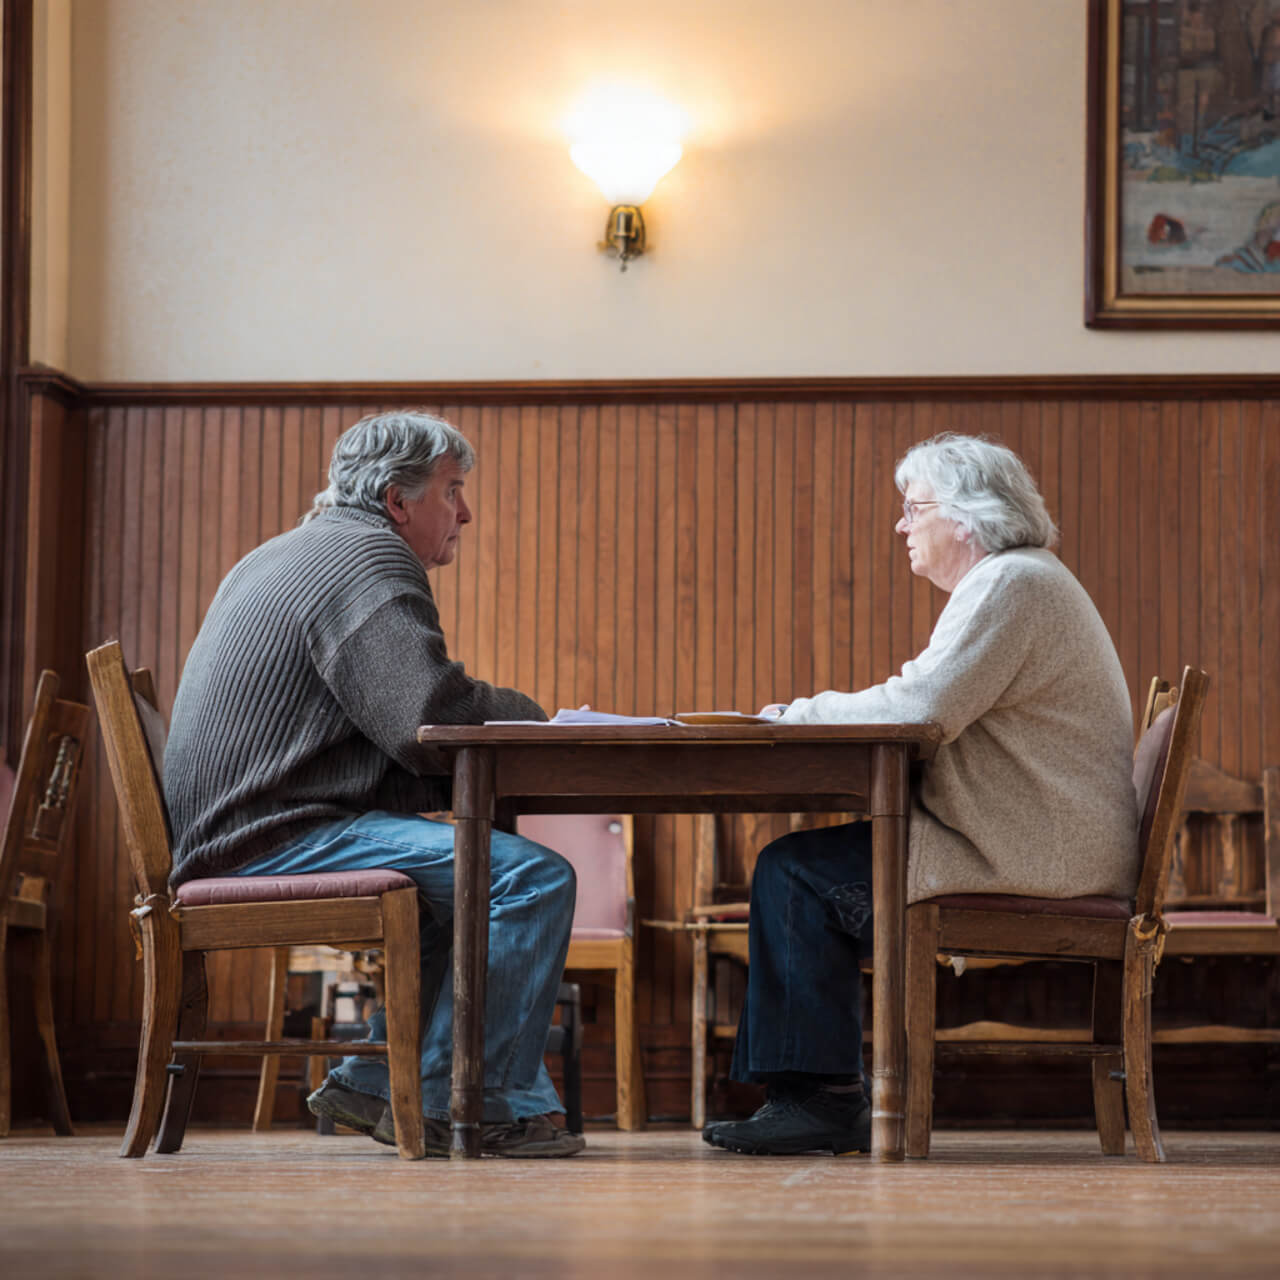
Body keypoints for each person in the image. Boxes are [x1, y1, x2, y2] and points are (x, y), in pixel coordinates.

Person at [704, 432, 1139, 1157]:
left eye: (914, 509)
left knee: (794, 873)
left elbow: (921, 705)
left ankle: (821, 1101)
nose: (902, 526)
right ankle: (818, 1095)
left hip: (1038, 851)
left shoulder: (1013, 583)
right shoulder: (1020, 579)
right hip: (1035, 836)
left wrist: (795, 713)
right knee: (799, 865)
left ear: (965, 517)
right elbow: (928, 701)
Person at [163, 409, 583, 1158]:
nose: (465, 511)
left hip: (246, 824)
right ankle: (476, 1104)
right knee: (532, 881)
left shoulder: (291, 551)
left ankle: (370, 1079)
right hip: (268, 835)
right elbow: (427, 718)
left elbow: (372, 739)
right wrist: (537, 718)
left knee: (453, 888)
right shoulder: (370, 560)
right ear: (397, 500)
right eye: (452, 490)